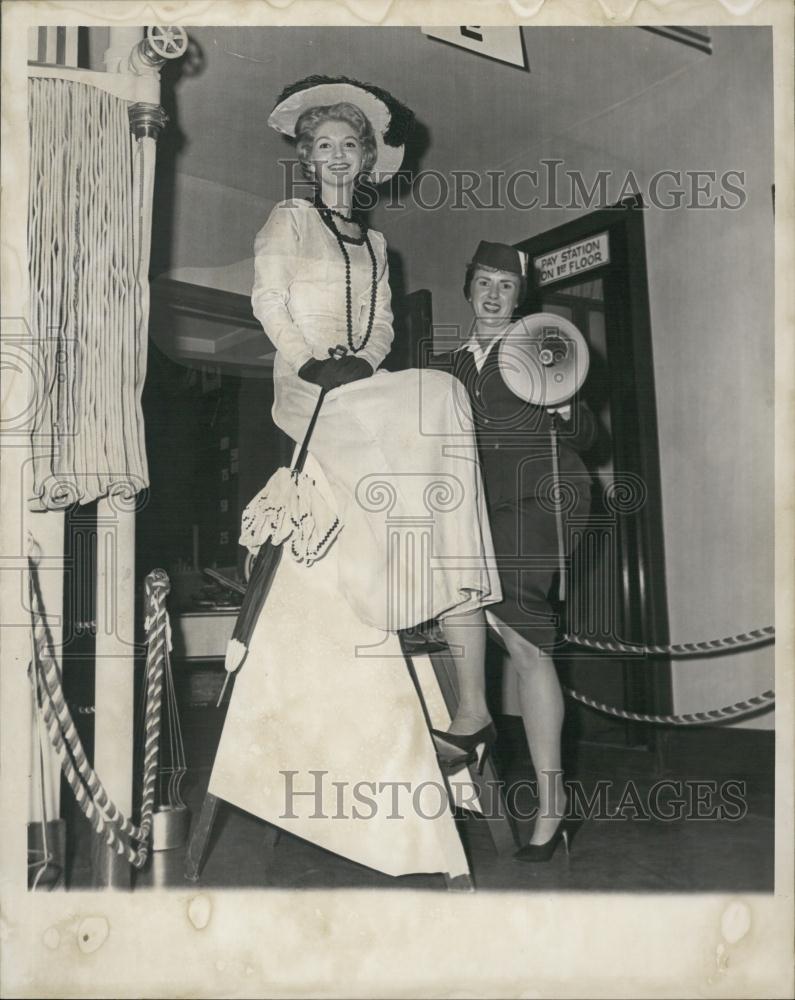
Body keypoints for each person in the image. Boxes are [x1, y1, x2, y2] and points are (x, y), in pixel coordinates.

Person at [207, 77, 501, 881]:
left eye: (351, 148)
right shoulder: (288, 220)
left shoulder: (376, 247)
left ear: (367, 163)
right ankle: (401, 575)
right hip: (306, 395)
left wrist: (362, 362)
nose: (338, 158)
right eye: (324, 146)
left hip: (359, 385)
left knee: (434, 391)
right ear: (306, 159)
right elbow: (269, 301)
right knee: (432, 391)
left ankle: (434, 579)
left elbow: (381, 328)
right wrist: (314, 363)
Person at [433, 241, 596, 861]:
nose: (495, 294)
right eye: (485, 282)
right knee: (477, 606)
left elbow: (589, 434)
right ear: (468, 288)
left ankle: (542, 796)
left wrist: (564, 404)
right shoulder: (449, 368)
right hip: (482, 508)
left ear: (519, 297)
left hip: (546, 497)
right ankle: (476, 716)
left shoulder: (537, 346)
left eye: (507, 285)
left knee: (522, 634)